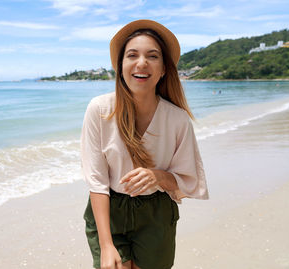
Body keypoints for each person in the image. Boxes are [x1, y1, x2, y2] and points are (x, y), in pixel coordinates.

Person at [81, 19, 209, 269]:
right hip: (109, 210)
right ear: (121, 66)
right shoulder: (99, 110)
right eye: (132, 55)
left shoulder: (177, 119)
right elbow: (96, 181)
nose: (141, 63)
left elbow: (187, 181)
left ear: (163, 69)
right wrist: (106, 245)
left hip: (156, 213)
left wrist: (158, 176)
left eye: (152, 56)